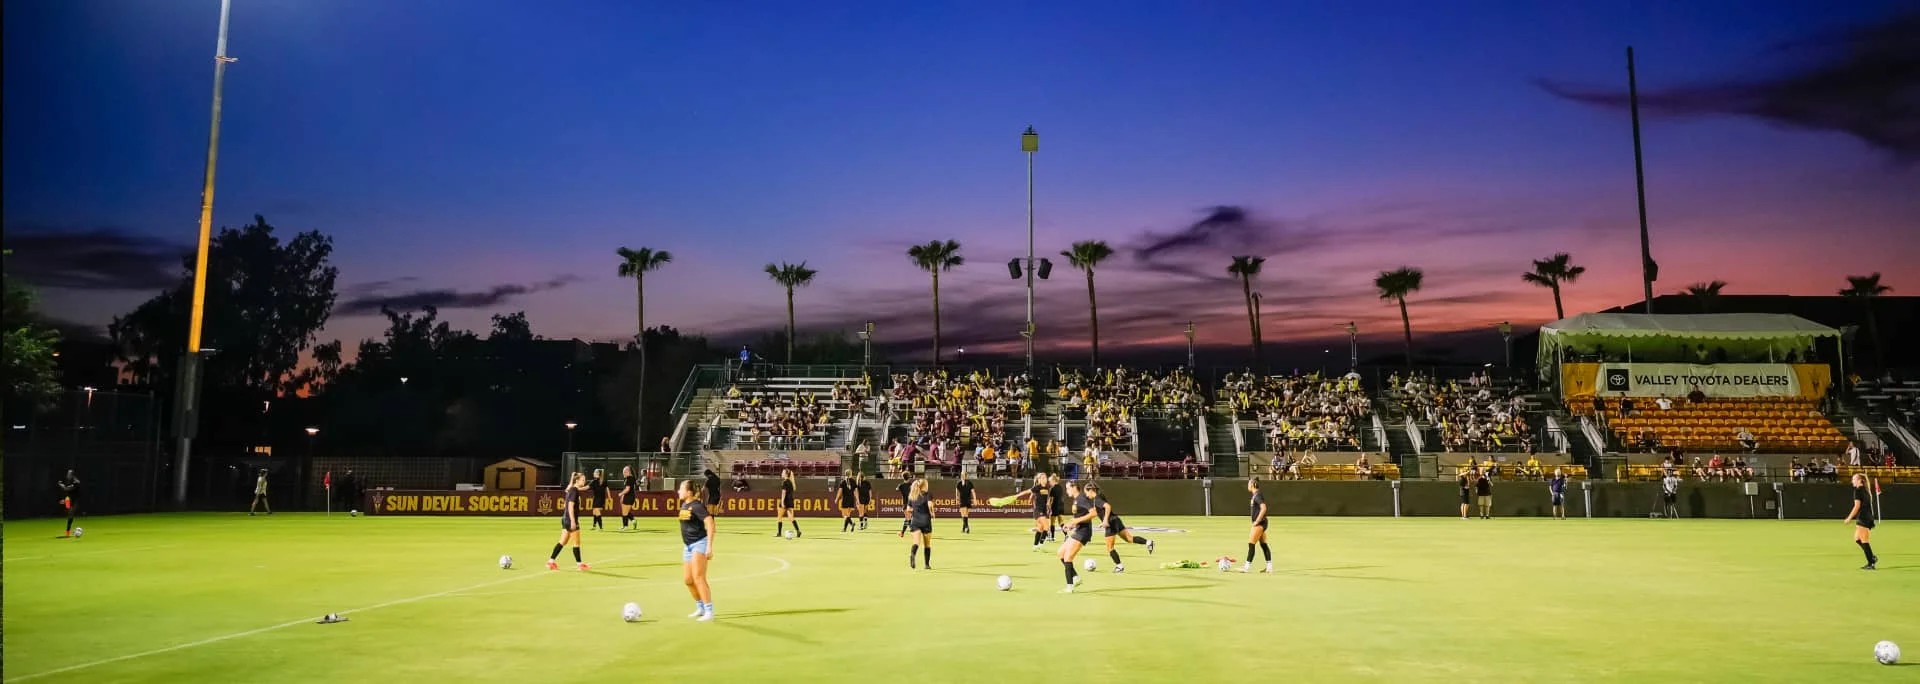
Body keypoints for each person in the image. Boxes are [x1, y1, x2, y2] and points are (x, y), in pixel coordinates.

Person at [1089, 482, 1152, 572]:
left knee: (1110, 548)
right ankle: (1148, 542)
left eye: (1086, 492)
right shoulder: (1099, 497)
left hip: (1110, 523)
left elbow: (1108, 507)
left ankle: (1119, 566)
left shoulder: (1097, 499)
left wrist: (1106, 520)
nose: (1086, 495)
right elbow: (1103, 511)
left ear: (1091, 490)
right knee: (1129, 539)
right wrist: (1103, 521)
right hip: (1116, 520)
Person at [676, 479, 717, 620]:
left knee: (699, 577)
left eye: (681, 489)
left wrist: (709, 546)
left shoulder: (697, 506)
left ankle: (709, 611)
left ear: (689, 492)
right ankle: (700, 607)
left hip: (699, 543)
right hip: (688, 546)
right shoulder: (684, 505)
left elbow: (710, 524)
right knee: (688, 580)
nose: (678, 491)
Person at [1056, 480, 1099, 592]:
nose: (1066, 491)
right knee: (1060, 553)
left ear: (1074, 487)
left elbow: (1093, 513)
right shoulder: (1076, 500)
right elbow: (1080, 517)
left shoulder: (1081, 498)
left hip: (1084, 532)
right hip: (1079, 530)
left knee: (1067, 557)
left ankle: (1069, 587)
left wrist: (1076, 521)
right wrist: (1071, 525)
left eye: (1068, 488)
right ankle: (1076, 578)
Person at [547, 472, 590, 571]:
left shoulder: (571, 489)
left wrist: (571, 477)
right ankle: (580, 565)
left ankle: (550, 562)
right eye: (582, 479)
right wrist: (573, 521)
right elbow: (570, 506)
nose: (584, 481)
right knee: (576, 543)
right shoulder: (574, 490)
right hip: (570, 519)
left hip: (565, 519)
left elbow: (566, 499)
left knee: (562, 542)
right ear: (577, 481)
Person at [1001, 474, 1053, 549]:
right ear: (1039, 480)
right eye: (1043, 478)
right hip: (1038, 510)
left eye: (1045, 477)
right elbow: (1027, 492)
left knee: (1040, 529)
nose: (1045, 479)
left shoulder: (1048, 488)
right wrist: (1017, 495)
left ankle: (1035, 546)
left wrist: (1049, 506)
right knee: (1046, 527)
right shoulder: (1037, 487)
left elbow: (1047, 499)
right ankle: (1041, 544)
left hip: (1044, 509)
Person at [1842, 473, 1879, 570]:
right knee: (1857, 539)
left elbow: (1857, 506)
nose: (1852, 481)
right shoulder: (1866, 491)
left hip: (1863, 518)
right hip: (1865, 517)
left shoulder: (1858, 491)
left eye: (1854, 479)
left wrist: (1849, 518)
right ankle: (1872, 557)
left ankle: (1871, 562)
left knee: (1864, 540)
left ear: (1859, 480)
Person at [1243, 478, 1273, 573]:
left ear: (1252, 484)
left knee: (1251, 544)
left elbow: (1263, 508)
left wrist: (1257, 521)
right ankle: (1269, 567)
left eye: (1248, 483)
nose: (1248, 485)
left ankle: (1246, 567)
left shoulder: (1257, 495)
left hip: (1260, 523)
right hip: (1262, 523)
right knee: (1263, 544)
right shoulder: (1255, 495)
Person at [905, 479, 936, 569]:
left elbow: (908, 509)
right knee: (927, 544)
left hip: (915, 521)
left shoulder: (912, 495)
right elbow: (930, 505)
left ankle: (912, 555)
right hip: (926, 521)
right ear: (925, 486)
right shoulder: (928, 494)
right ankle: (926, 564)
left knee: (916, 542)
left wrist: (915, 509)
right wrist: (932, 513)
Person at [776, 469, 801, 538]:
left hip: (785, 501)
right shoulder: (791, 482)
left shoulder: (784, 482)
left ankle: (779, 533)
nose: (781, 473)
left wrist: (782, 502)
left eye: (783, 472)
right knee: (791, 517)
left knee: (779, 517)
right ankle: (798, 530)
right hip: (790, 501)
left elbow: (783, 493)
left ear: (786, 474)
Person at [57, 469, 81, 537]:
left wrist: (60, 485)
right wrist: (64, 500)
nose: (67, 475)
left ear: (72, 475)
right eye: (67, 474)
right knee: (68, 514)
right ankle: (68, 532)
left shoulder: (76, 482)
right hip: (69, 500)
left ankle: (67, 533)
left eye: (69, 474)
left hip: (75, 501)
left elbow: (67, 489)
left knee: (70, 515)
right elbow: (68, 492)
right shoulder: (68, 481)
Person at [1049, 473, 1068, 542]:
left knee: (1052, 522)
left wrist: (1049, 506)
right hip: (1061, 506)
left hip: (1055, 506)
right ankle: (1066, 535)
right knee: (1061, 522)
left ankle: (1052, 537)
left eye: (1050, 481)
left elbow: (1051, 499)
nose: (1049, 482)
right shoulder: (1060, 487)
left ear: (1053, 480)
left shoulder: (1052, 489)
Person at [618, 465, 638, 530]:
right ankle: (633, 520)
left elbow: (627, 489)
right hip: (630, 496)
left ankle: (625, 526)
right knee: (626, 511)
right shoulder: (630, 478)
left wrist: (621, 494)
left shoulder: (629, 478)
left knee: (624, 512)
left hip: (629, 496)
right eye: (623, 471)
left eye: (625, 471)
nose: (624, 472)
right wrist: (623, 496)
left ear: (629, 472)